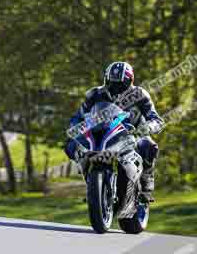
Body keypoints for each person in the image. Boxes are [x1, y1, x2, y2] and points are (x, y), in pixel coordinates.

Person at [64, 61, 164, 201]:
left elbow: (157, 120)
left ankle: (146, 186)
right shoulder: (94, 94)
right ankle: (91, 182)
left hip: (132, 132)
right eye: (112, 83)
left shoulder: (140, 94)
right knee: (70, 143)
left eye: (121, 84)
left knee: (149, 146)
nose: (116, 88)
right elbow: (79, 116)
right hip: (103, 131)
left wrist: (148, 127)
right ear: (106, 80)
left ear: (131, 81)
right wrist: (74, 128)